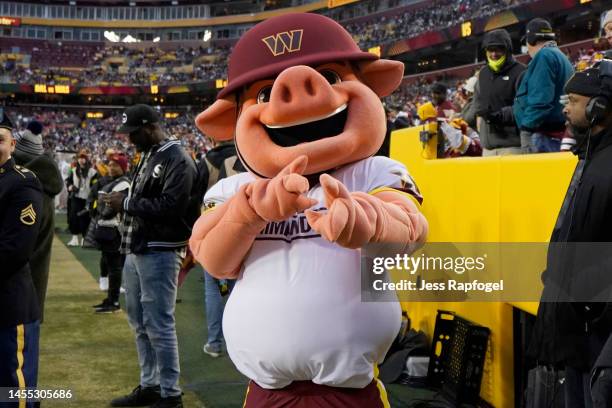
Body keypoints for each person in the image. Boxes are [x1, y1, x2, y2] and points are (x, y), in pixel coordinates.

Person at [104, 105, 199, 408]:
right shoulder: (150, 154)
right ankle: (150, 385)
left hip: (161, 248)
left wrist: (127, 203)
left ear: (149, 127)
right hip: (140, 246)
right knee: (139, 321)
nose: (129, 139)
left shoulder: (177, 158)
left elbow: (172, 206)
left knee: (159, 323)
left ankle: (171, 394)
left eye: (133, 133)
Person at [528, 65, 612, 408]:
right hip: (579, 325)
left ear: (598, 108)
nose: (566, 107)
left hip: (595, 326)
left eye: (575, 100)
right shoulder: (590, 158)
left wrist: (592, 302)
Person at [0, 109, 43, 408]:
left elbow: (15, 249)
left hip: (8, 303)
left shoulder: (23, 183)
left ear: (13, 144)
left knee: (16, 391)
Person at [12, 120, 63, 322]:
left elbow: (14, 248)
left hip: (17, 297)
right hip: (30, 294)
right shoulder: (41, 189)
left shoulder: (27, 191)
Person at [197, 141, 243, 357]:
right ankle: (242, 344)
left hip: (211, 225)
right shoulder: (247, 154)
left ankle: (215, 343)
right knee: (241, 288)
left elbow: (194, 195)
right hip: (243, 228)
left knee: (213, 289)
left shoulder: (207, 160)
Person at [513, 18, 574, 153]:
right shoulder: (559, 55)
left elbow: (540, 99)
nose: (527, 48)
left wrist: (526, 129)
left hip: (545, 135)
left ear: (531, 40)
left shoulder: (544, 56)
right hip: (556, 133)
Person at [473, 29, 526, 156]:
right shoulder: (483, 73)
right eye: (490, 50)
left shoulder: (521, 72)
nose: (494, 54)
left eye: (498, 49)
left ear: (508, 49)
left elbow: (524, 107)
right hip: (488, 149)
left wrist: (499, 116)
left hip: (513, 147)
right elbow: (477, 104)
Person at [92, 153, 130, 314]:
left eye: (115, 165)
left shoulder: (123, 184)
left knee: (115, 267)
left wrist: (101, 205)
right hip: (108, 229)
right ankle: (110, 299)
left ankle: (114, 302)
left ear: (123, 167)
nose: (111, 167)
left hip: (115, 229)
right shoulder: (112, 182)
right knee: (110, 264)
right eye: (109, 164)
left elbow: (110, 209)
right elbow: (101, 205)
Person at [66, 149, 97, 246]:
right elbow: (69, 181)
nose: (81, 160)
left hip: (87, 199)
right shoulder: (74, 170)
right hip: (76, 197)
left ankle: (84, 239)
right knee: (73, 217)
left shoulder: (92, 172)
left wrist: (93, 195)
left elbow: (95, 185)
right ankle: (74, 238)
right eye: (80, 158)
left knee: (86, 219)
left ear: (86, 160)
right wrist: (70, 187)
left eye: (83, 158)